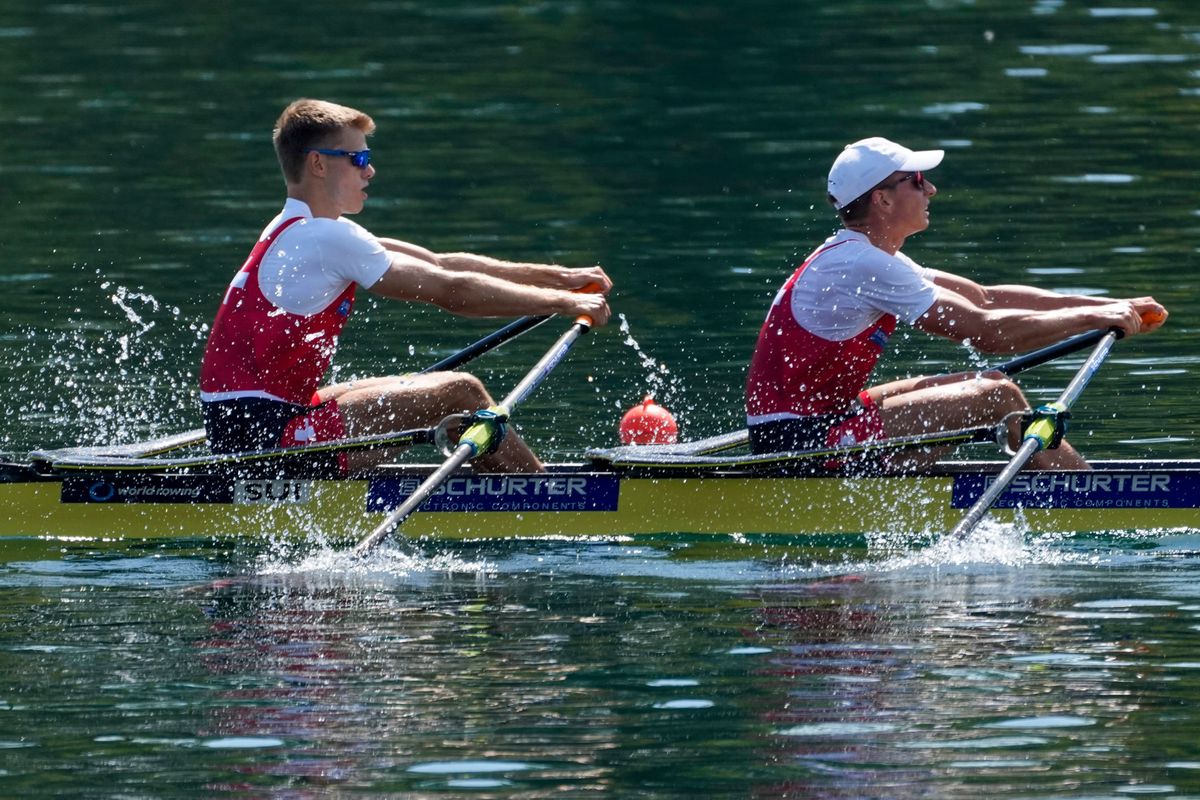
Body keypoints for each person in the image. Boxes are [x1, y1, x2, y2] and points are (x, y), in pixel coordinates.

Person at [200, 99, 611, 474]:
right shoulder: (323, 239)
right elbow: (452, 291)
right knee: (460, 391)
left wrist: (563, 279)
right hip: (266, 446)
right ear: (318, 165)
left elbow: (439, 263)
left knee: (396, 385)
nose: (370, 170)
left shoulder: (302, 229)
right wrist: (560, 302)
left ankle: (500, 486)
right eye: (357, 158)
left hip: (254, 424)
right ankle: (544, 499)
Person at [745, 136, 1166, 470]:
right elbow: (988, 331)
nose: (931, 187)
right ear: (883, 199)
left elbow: (985, 297)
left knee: (984, 381)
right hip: (797, 447)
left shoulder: (868, 256)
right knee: (995, 396)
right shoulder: (859, 264)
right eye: (915, 180)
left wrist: (1111, 304)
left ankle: (1066, 487)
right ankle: (1086, 501)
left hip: (822, 422)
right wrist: (1093, 318)